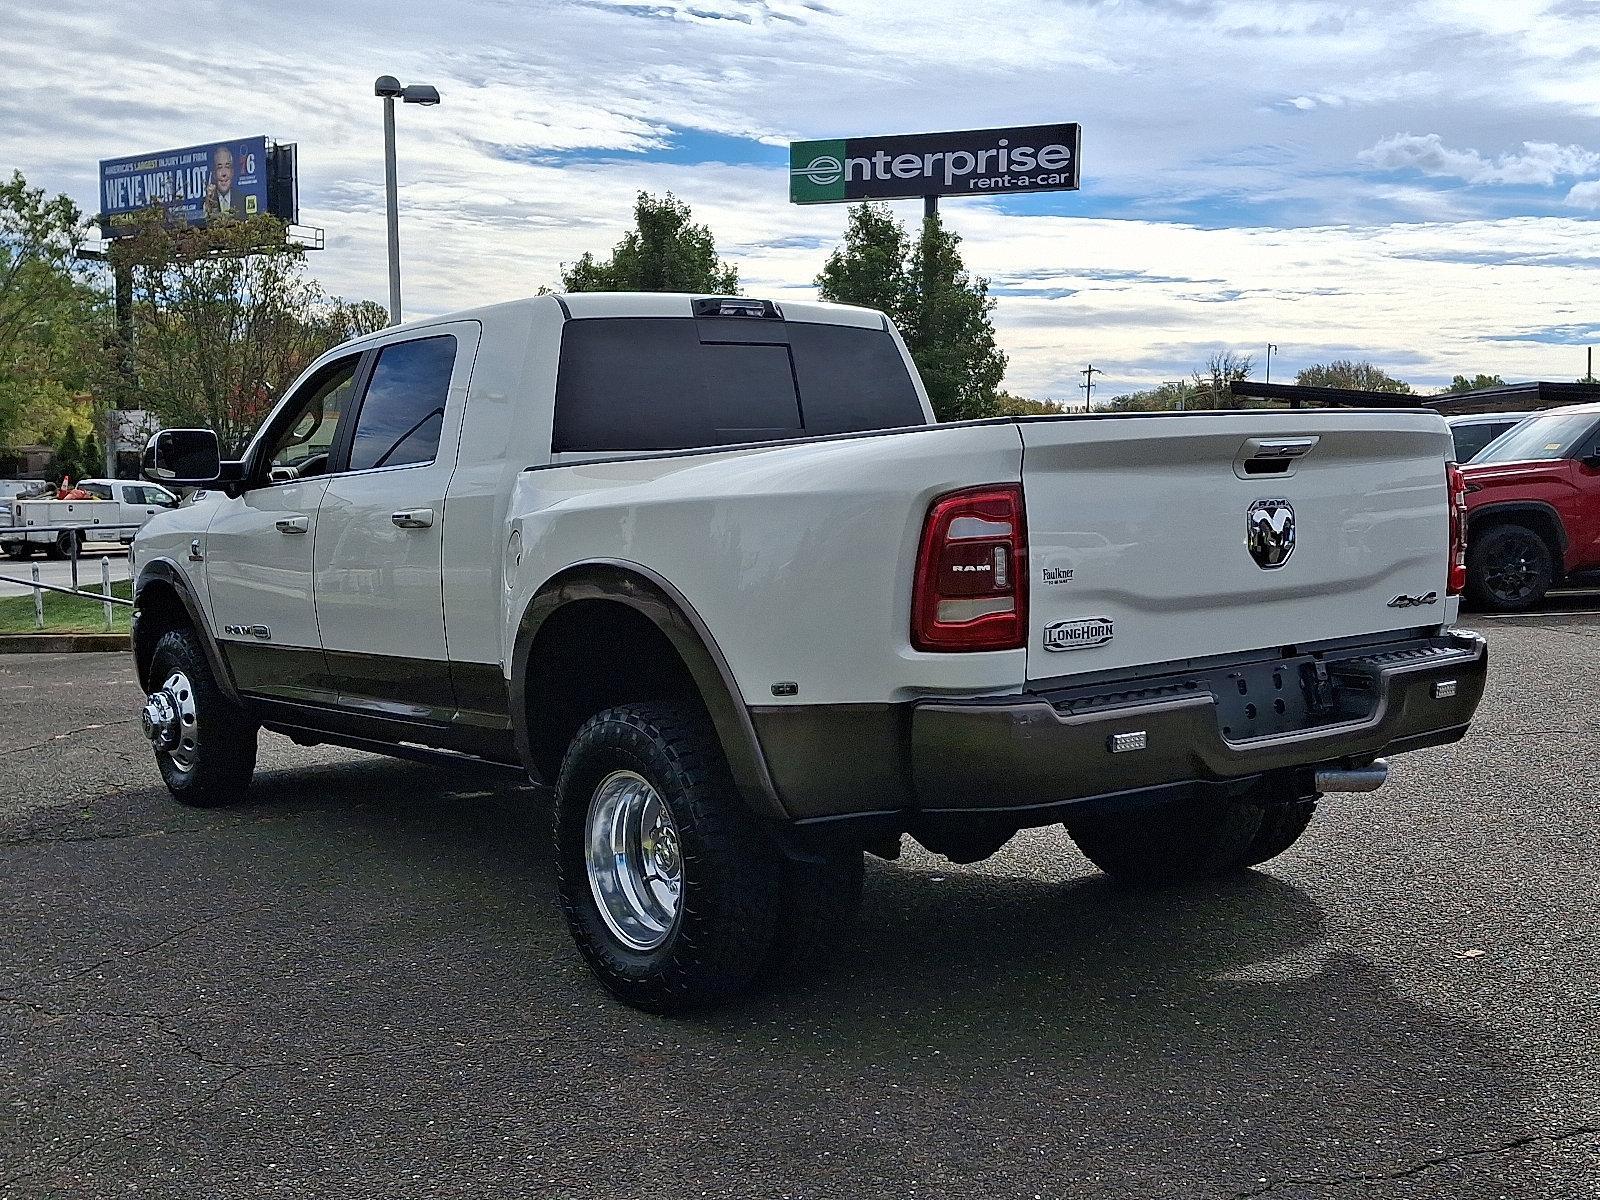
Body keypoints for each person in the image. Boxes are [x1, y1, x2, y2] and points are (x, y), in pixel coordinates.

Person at [203, 145, 240, 220]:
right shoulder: (208, 200)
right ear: (214, 174)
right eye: (219, 167)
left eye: (227, 167)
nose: (224, 174)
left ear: (232, 172)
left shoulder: (242, 200)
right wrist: (209, 200)